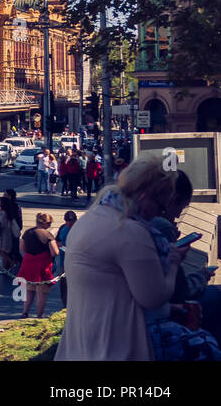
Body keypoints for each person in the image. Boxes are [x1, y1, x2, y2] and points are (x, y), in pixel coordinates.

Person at [56, 154, 189, 361]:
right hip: (116, 347)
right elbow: (153, 297)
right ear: (145, 195)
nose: (159, 214)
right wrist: (173, 261)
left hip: (81, 344)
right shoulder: (130, 232)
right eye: (160, 206)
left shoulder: (92, 217)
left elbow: (112, 287)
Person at [18, 212, 59, 318]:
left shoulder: (27, 233)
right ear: (46, 224)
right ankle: (39, 315)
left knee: (29, 289)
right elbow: (55, 252)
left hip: (28, 264)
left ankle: (25, 312)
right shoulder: (47, 235)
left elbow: (22, 248)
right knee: (41, 292)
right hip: (42, 266)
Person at [0, 189, 23, 273]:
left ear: (9, 196)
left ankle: (14, 265)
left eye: (5, 194)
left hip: (11, 231)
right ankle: (13, 264)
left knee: (11, 250)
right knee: (10, 250)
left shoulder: (14, 206)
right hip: (12, 230)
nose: (3, 196)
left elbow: (17, 219)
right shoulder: (10, 205)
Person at [56, 209, 77, 306]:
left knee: (75, 286)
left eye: (71, 223)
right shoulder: (62, 228)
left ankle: (74, 305)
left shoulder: (80, 229)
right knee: (64, 286)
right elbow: (56, 240)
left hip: (76, 263)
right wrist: (58, 244)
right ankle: (65, 305)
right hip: (63, 262)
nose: (69, 225)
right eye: (67, 222)